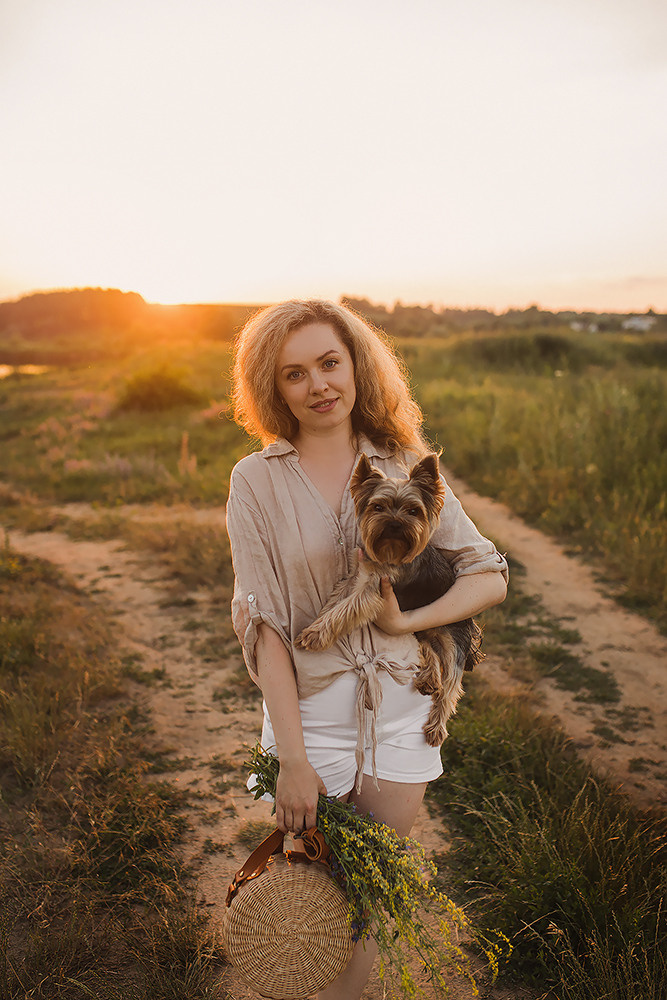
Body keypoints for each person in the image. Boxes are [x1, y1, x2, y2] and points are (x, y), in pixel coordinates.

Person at [225, 299, 508, 1000]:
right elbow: (264, 627)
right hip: (310, 720)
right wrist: (292, 759)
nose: (318, 385)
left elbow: (488, 574)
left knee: (366, 903)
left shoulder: (404, 463)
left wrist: (406, 624)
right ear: (272, 387)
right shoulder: (255, 480)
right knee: (310, 908)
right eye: (294, 373)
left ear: (355, 365)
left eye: (329, 363)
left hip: (401, 715)